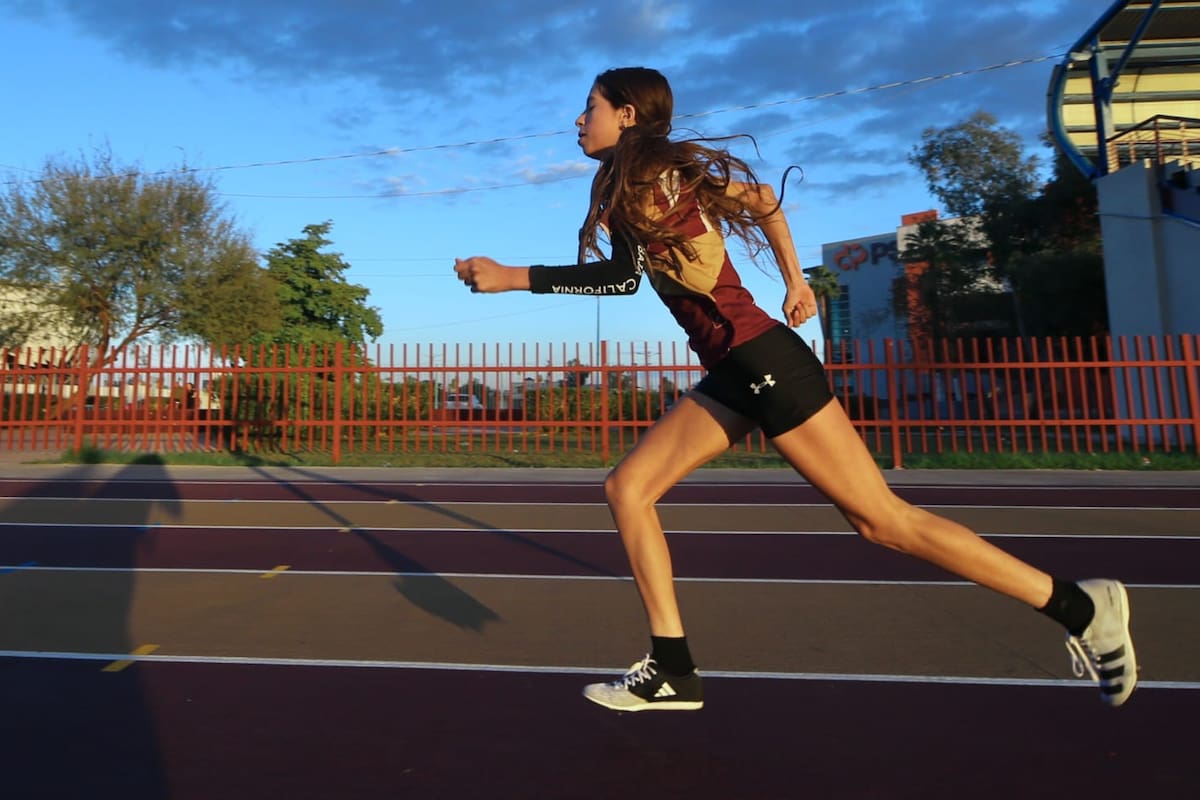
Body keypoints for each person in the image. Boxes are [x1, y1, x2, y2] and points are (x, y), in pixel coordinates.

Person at [453, 67, 1137, 712]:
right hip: (735, 366)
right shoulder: (651, 178)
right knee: (628, 489)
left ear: (627, 116)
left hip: (759, 359)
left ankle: (1081, 608)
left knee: (882, 522)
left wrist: (512, 276)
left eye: (591, 108)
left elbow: (621, 279)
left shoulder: (645, 179)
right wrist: (794, 281)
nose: (578, 120)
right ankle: (672, 667)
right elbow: (763, 204)